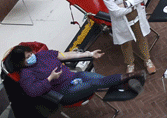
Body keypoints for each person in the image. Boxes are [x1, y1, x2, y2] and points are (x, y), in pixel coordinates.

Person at [8, 45, 145, 105]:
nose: (32, 57)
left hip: (73, 78)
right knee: (94, 83)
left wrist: (89, 54)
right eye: (27, 57)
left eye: (30, 53)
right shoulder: (26, 74)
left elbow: (65, 55)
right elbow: (32, 91)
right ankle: (130, 76)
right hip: (64, 92)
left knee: (99, 79)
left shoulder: (43, 55)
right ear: (21, 62)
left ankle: (126, 83)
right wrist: (50, 78)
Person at [101, 0, 156, 74]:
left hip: (137, 18)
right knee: (125, 44)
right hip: (123, 22)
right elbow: (116, 12)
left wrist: (126, 4)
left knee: (142, 38)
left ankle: (147, 60)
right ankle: (130, 63)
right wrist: (133, 5)